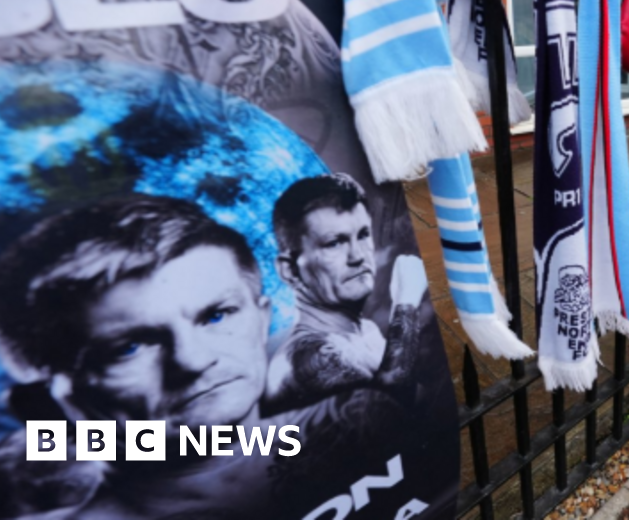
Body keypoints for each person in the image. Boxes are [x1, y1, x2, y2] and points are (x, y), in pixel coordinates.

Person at [0, 195, 423, 518]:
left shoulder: (359, 418)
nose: (193, 359)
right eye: (128, 347)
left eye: (217, 315)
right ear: (62, 392)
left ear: (262, 320)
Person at [266, 173, 426, 413]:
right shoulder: (308, 357)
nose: (358, 256)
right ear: (289, 270)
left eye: (362, 235)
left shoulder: (362, 330)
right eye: (334, 243)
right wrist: (406, 302)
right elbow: (389, 413)